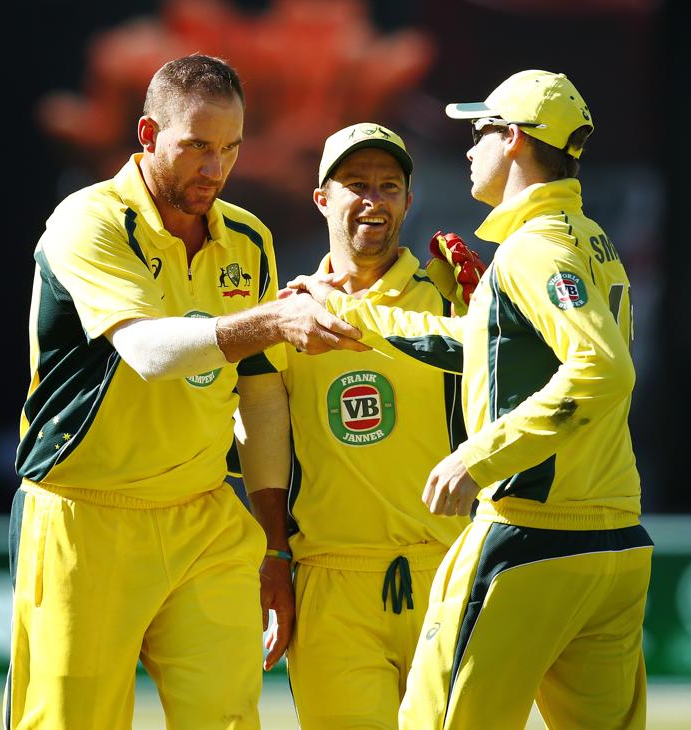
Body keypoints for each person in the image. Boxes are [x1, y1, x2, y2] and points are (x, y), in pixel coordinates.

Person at [5, 53, 366, 730]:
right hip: (84, 516)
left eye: (230, 148)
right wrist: (271, 321)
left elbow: (259, 397)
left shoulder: (248, 237)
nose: (215, 169)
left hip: (204, 518)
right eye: (197, 146)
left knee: (229, 720)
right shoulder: (88, 221)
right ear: (147, 135)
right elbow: (148, 352)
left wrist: (273, 545)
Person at [289, 70, 653, 730]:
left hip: (531, 534)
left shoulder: (532, 250)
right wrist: (354, 313)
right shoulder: (587, 239)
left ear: (513, 139)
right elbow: (478, 346)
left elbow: (602, 369)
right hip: (615, 541)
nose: (468, 147)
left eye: (480, 130)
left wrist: (477, 458)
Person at [235, 122, 482, 729]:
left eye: (389, 186)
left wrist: (494, 315)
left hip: (446, 570)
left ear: (408, 200)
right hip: (330, 580)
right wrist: (274, 554)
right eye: (356, 184)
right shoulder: (287, 313)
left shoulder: (452, 301)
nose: (374, 199)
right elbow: (263, 444)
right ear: (322, 199)